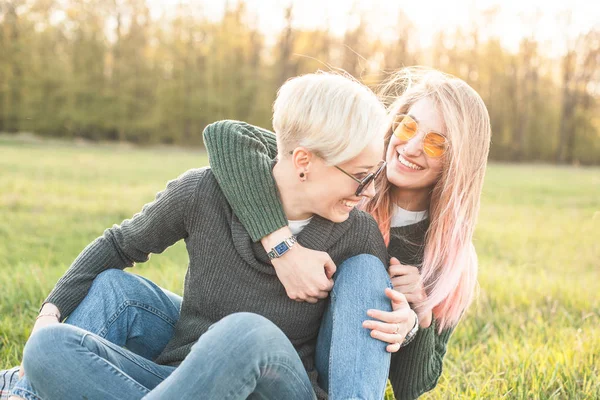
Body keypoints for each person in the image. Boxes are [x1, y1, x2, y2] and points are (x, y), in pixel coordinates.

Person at [5, 71, 417, 400]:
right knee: (48, 348)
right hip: (181, 379)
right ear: (304, 161)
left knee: (244, 332)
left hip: (277, 387)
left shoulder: (355, 232)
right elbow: (118, 245)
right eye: (361, 177)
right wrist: (48, 314)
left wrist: (410, 321)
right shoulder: (203, 193)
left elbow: (372, 331)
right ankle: (23, 390)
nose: (368, 190)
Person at [200, 66, 492, 399]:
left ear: (458, 161)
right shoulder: (342, 171)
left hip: (331, 375)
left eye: (436, 144)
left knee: (365, 271)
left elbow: (413, 388)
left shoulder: (446, 254)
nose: (411, 147)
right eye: (408, 126)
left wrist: (417, 319)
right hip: (264, 344)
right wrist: (282, 246)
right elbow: (227, 136)